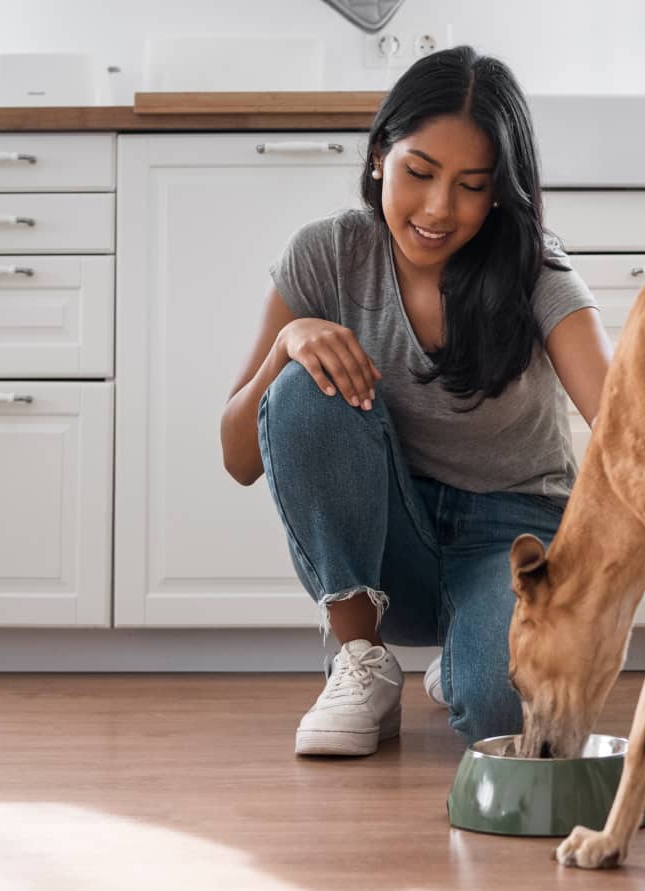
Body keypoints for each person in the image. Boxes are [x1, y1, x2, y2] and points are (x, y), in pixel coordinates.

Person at [219, 47, 611, 756]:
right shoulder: (326, 255)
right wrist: (287, 346)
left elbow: (622, 425)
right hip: (384, 542)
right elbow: (239, 459)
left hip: (513, 534)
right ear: (379, 158)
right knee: (303, 383)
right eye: (419, 173)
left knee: (502, 712)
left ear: (500, 192)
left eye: (471, 185)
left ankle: (466, 658)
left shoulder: (536, 271)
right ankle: (362, 662)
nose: (438, 210)